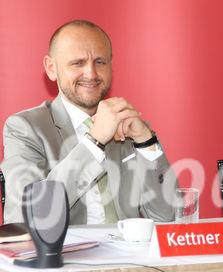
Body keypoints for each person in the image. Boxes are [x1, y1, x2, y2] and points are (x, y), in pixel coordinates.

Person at [1, 20, 178, 224]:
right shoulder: (25, 128)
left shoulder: (127, 126)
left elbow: (169, 217)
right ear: (51, 68)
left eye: (100, 62)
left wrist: (146, 142)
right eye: (78, 63)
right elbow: (29, 216)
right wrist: (95, 141)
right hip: (63, 255)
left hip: (126, 254)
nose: (91, 74)